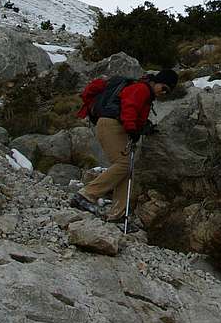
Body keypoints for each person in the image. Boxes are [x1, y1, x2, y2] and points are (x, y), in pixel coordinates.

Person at [70, 68, 176, 227]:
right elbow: (129, 107)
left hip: (115, 126)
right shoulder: (142, 89)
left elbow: (133, 112)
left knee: (128, 168)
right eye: (164, 88)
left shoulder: (146, 93)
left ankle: (117, 214)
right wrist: (132, 128)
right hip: (111, 125)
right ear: (157, 82)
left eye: (167, 92)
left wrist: (142, 127)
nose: (164, 93)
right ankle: (85, 195)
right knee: (124, 164)